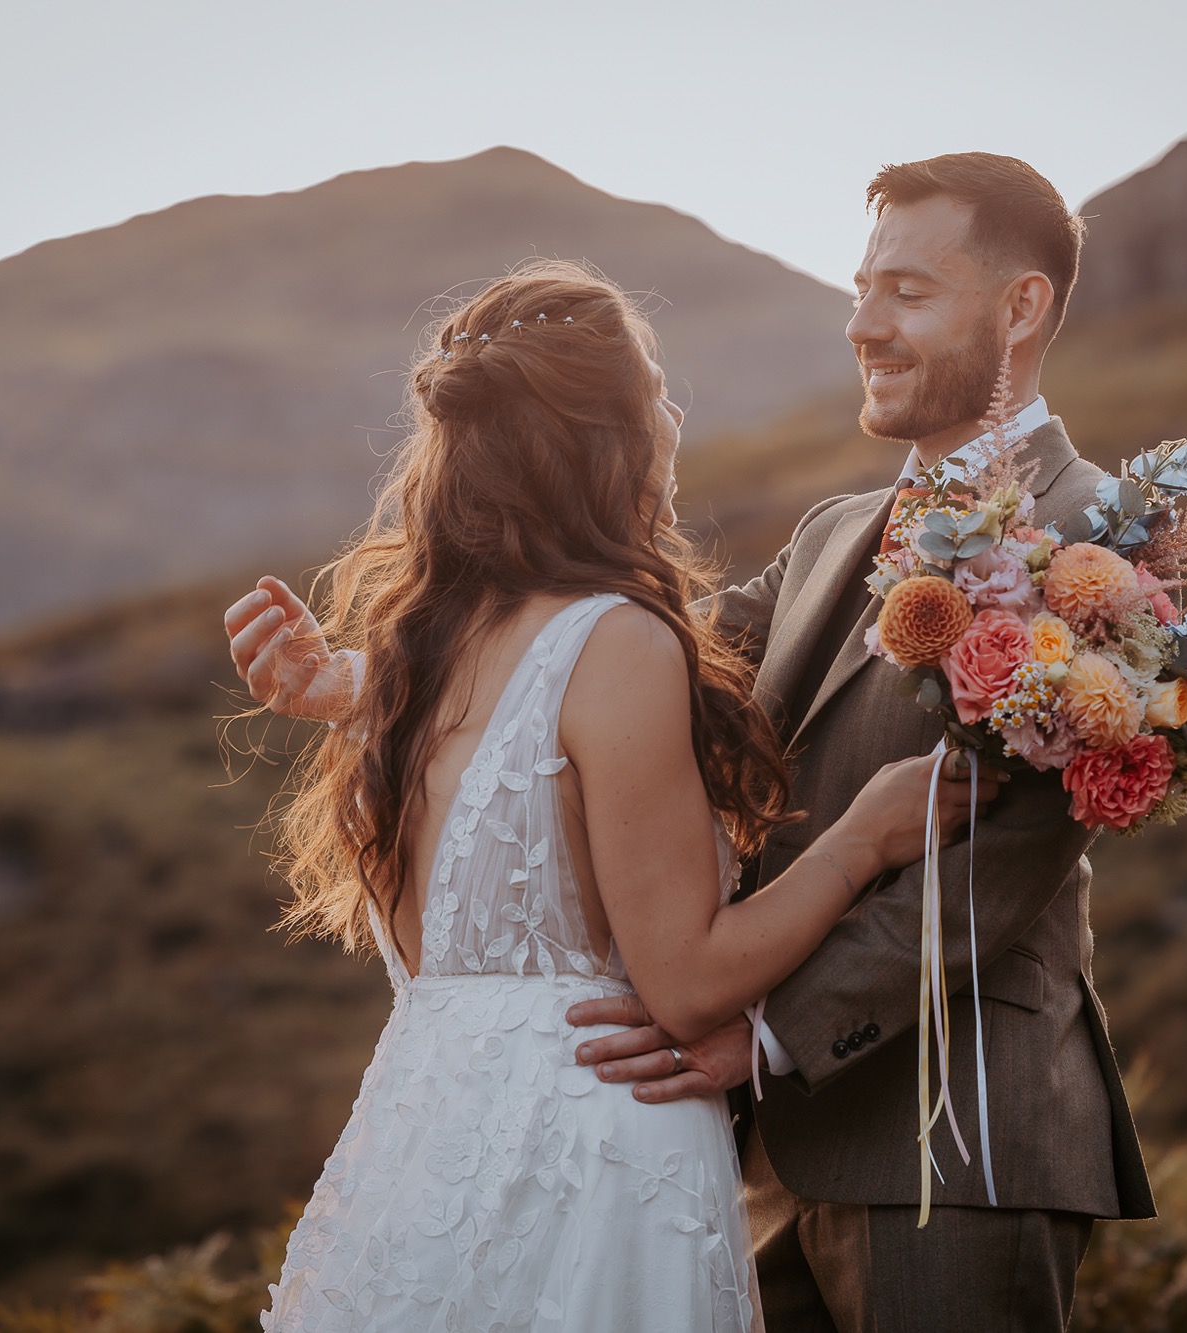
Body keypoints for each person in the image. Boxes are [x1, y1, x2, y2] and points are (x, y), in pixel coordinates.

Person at [224, 259, 992, 1332]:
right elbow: (685, 983)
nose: (675, 412)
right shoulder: (616, 643)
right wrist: (860, 840)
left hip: (417, 1165)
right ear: (609, 434)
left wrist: (344, 682)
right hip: (595, 1159)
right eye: (657, 388)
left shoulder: (426, 660)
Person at [565, 154, 1158, 1331]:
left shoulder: (1097, 531)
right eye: (858, 288)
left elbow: (1006, 850)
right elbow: (660, 674)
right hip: (761, 1156)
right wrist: (391, 675)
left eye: (905, 292)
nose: (861, 325)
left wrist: (766, 1035)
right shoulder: (834, 529)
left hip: (956, 1137)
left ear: (1021, 306)